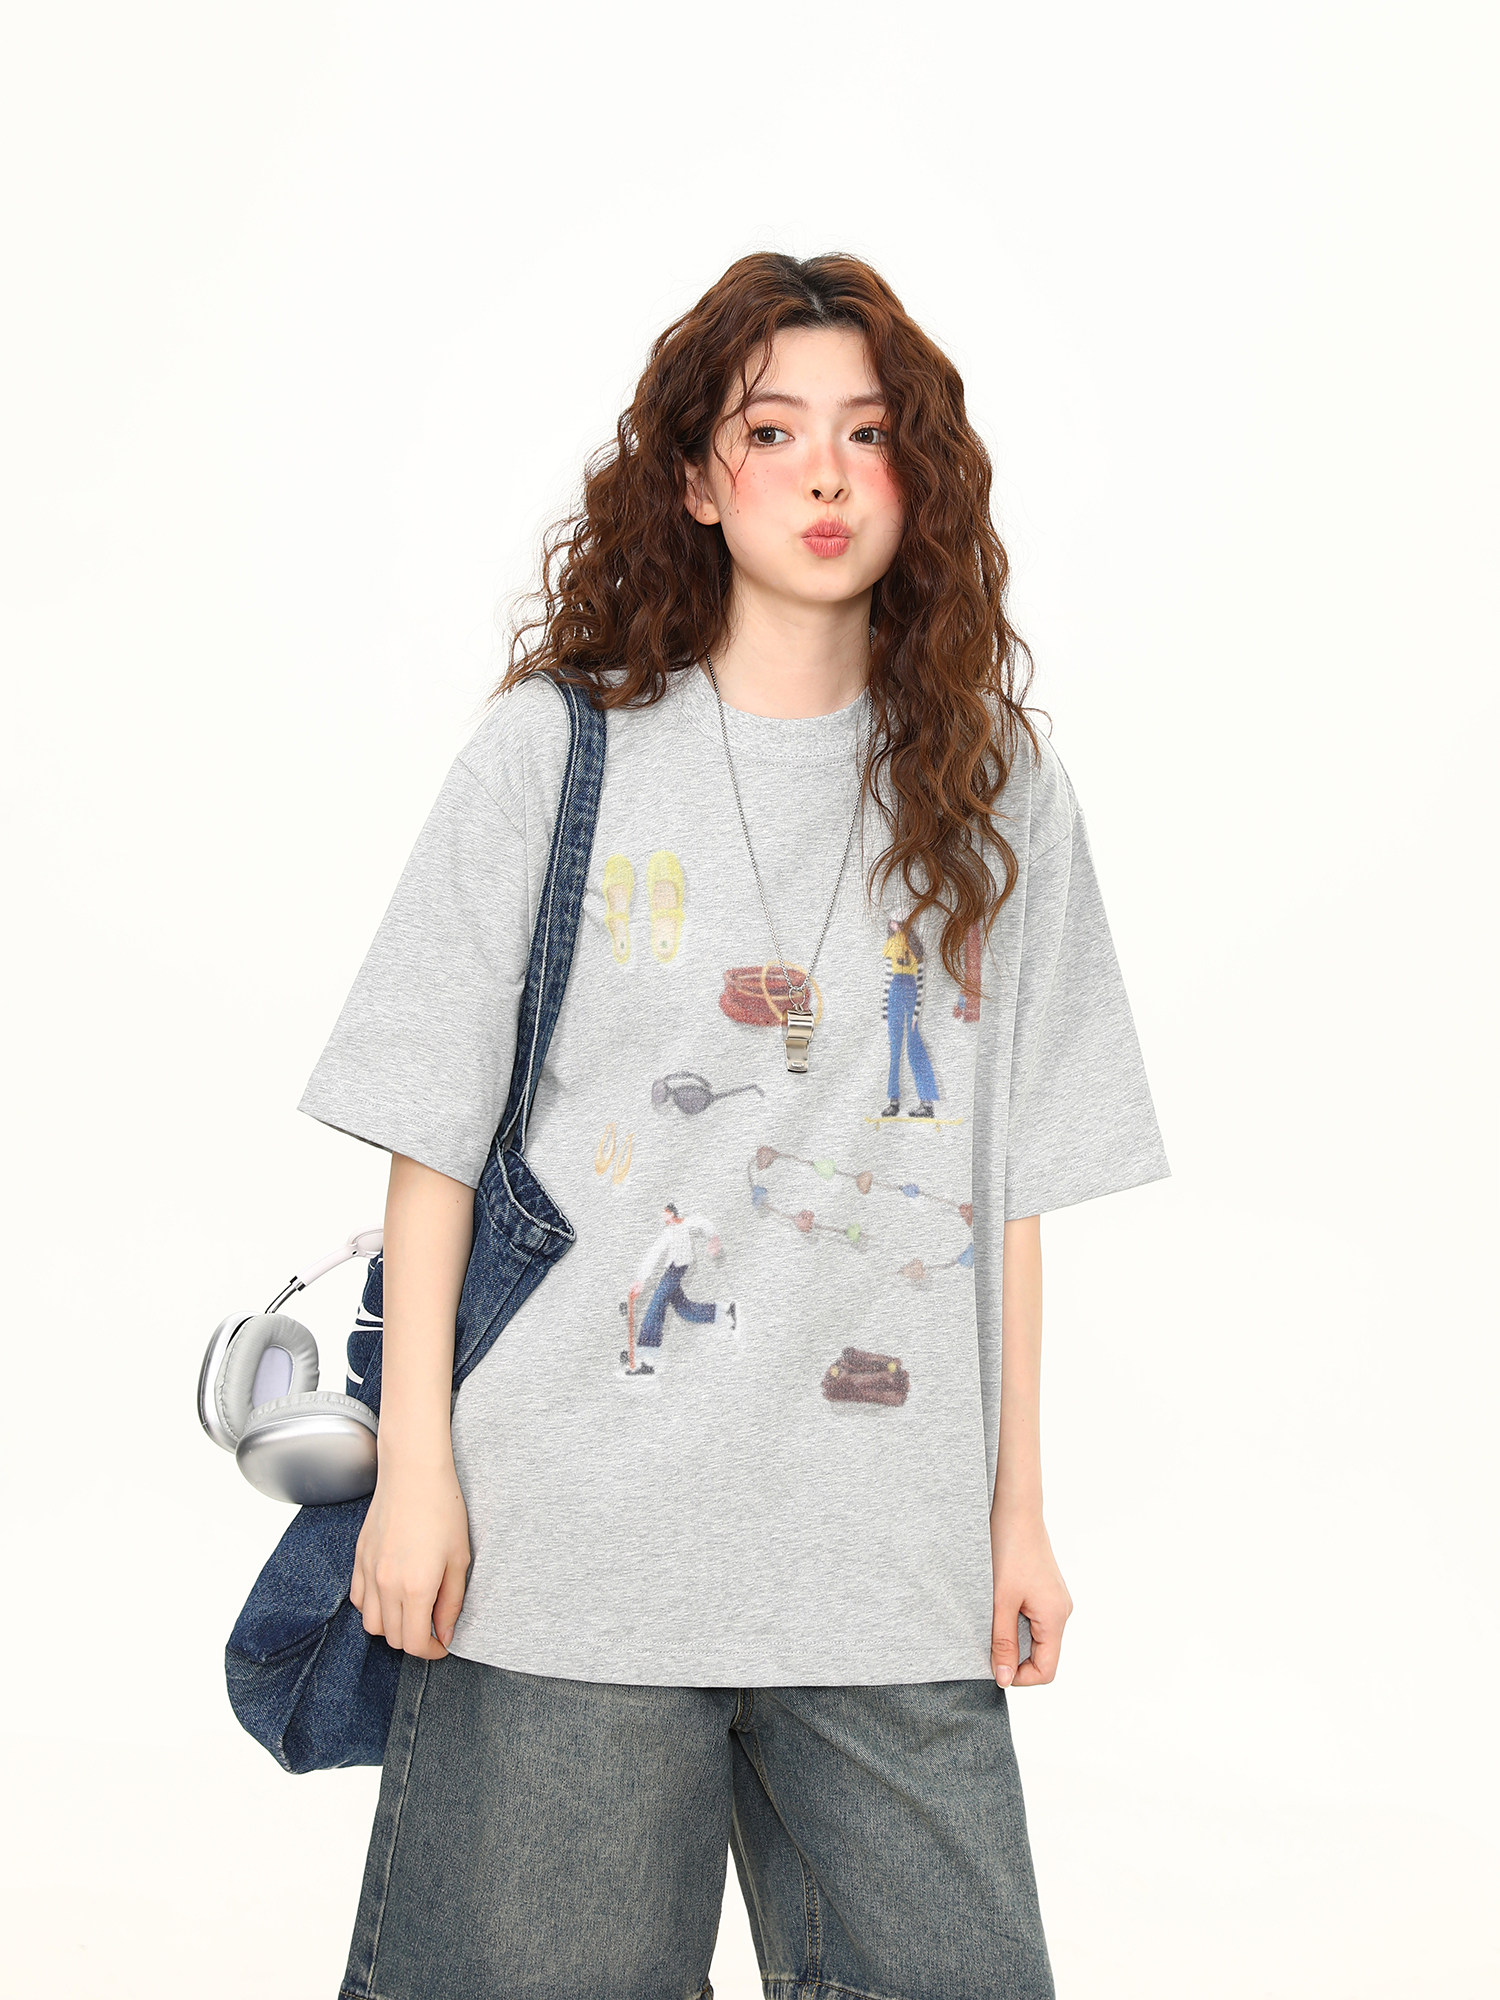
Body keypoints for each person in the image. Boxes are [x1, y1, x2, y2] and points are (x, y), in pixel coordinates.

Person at [300, 250, 1170, 2000]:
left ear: (921, 475)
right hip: (569, 1554)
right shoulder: (557, 755)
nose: (827, 474)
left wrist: (1017, 1511)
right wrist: (415, 1475)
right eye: (773, 433)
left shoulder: (1001, 789)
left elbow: (1008, 1184)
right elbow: (432, 1140)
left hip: (885, 1564)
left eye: (869, 432)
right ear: (697, 480)